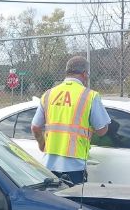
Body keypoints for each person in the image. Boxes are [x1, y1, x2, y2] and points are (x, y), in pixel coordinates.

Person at [31, 56, 110, 185]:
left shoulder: (48, 94)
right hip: (75, 167)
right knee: (73, 204)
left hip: (49, 166)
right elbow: (102, 130)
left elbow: (35, 127)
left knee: (53, 203)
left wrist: (42, 145)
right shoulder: (89, 96)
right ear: (84, 74)